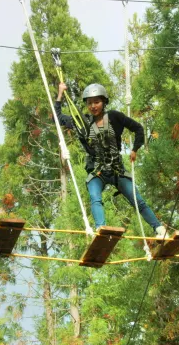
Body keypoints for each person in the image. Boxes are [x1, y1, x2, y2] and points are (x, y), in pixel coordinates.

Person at [55, 82, 168, 238]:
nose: (93, 106)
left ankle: (159, 229)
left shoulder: (115, 117)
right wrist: (60, 93)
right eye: (89, 103)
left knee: (137, 200)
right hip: (97, 171)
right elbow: (59, 117)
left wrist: (135, 149)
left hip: (117, 170)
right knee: (95, 198)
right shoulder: (83, 122)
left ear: (104, 102)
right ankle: (100, 229)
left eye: (97, 102)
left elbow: (138, 128)